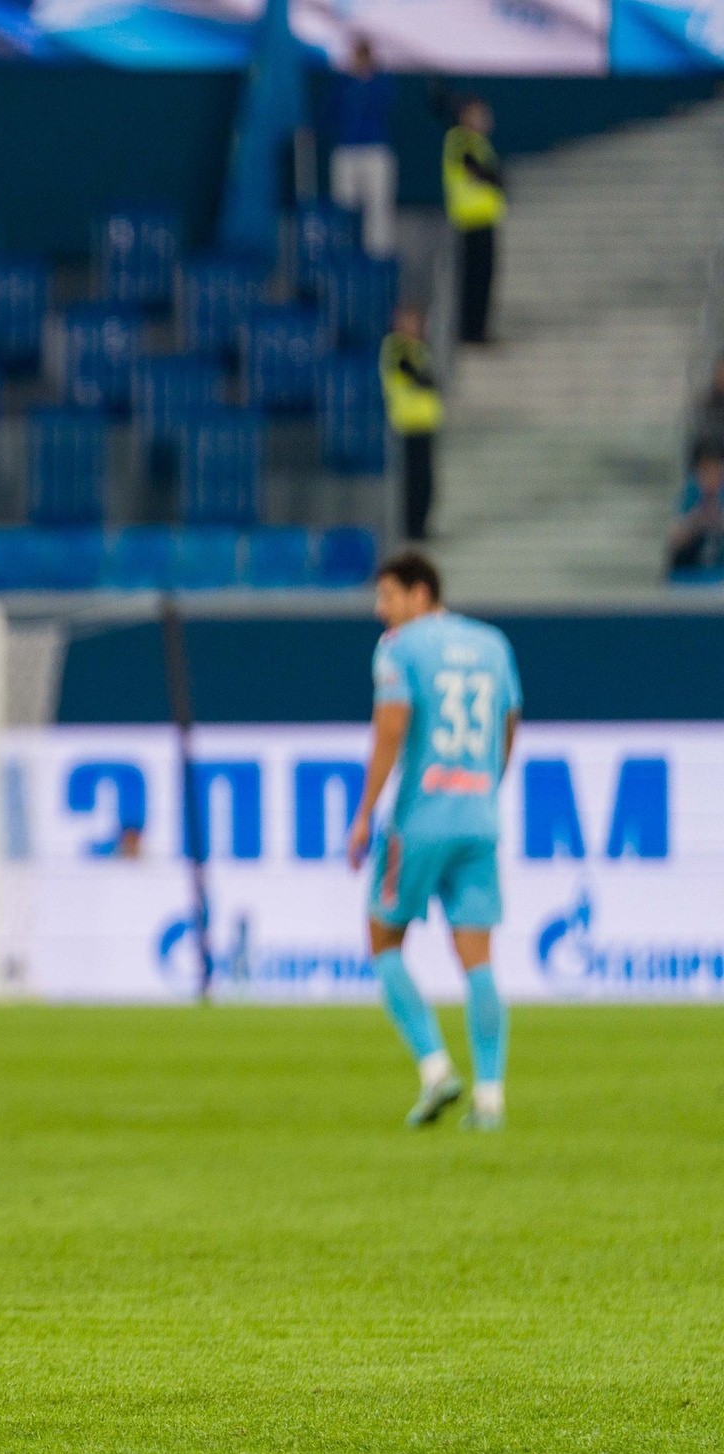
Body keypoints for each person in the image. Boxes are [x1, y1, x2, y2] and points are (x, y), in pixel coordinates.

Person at [345, 553, 520, 1132]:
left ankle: (435, 1066)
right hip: (478, 816)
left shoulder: (399, 648)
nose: (381, 610)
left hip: (420, 820)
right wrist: (487, 784)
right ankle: (490, 1100)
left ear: (420, 594)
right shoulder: (493, 643)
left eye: (388, 596)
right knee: (478, 959)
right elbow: (510, 721)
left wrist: (365, 813)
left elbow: (391, 728)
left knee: (382, 935)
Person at [324, 39, 395, 258]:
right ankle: (341, 254)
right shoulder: (343, 84)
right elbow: (330, 112)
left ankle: (377, 258)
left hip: (374, 149)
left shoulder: (382, 83)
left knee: (377, 207)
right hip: (347, 150)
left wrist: (366, 79)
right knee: (342, 204)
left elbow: (387, 105)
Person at [443, 99, 503, 346]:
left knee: (484, 278)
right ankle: (470, 332)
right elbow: (472, 167)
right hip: (470, 221)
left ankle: (478, 329)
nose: (485, 119)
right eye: (480, 114)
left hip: (484, 218)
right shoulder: (460, 138)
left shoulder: (479, 142)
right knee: (474, 279)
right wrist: (495, 177)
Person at [381, 305, 441, 542]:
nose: (414, 327)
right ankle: (412, 527)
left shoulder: (419, 349)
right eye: (408, 321)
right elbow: (411, 374)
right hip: (407, 423)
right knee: (412, 481)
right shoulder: (396, 346)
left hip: (425, 423)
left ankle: (422, 525)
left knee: (425, 480)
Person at [670, 450, 724, 575]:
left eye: (717, 472)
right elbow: (673, 540)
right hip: (689, 574)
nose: (712, 478)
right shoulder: (689, 493)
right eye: (706, 471)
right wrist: (695, 522)